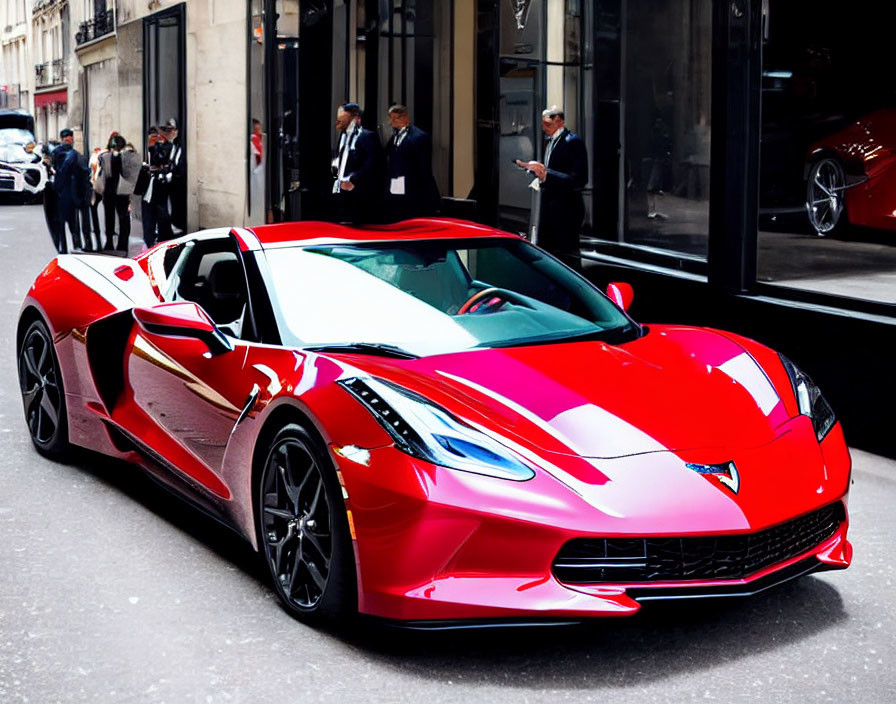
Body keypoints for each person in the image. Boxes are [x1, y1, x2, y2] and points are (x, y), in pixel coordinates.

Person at [515, 106, 588, 261]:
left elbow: (579, 179)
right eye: (543, 125)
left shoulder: (572, 142)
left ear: (559, 121)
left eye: (548, 124)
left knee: (567, 255)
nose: (544, 128)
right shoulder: (551, 142)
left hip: (567, 209)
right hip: (550, 206)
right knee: (550, 253)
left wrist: (547, 174)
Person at [383, 104, 440, 223]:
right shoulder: (394, 136)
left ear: (404, 118)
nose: (391, 123)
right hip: (395, 184)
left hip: (412, 187)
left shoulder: (420, 137)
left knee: (410, 216)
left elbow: (423, 167)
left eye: (395, 119)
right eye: (390, 119)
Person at [331, 102, 382, 224]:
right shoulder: (342, 136)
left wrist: (354, 180)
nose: (338, 118)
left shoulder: (367, 136)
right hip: (341, 189)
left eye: (342, 114)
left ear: (353, 116)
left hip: (358, 192)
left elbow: (373, 162)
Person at [98, 135, 142, 253]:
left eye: (117, 146)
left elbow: (131, 170)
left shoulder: (129, 157)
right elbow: (103, 171)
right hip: (109, 191)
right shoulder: (106, 157)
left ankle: (122, 244)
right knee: (109, 217)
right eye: (113, 146)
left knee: (123, 217)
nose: (115, 148)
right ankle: (109, 242)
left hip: (122, 191)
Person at [50, 128, 87, 253]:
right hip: (64, 192)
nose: (68, 142)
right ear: (62, 140)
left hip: (67, 192)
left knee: (71, 221)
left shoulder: (62, 153)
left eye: (70, 140)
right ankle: (69, 246)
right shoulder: (72, 154)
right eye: (67, 140)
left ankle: (69, 246)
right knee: (65, 221)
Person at [142, 126, 175, 245]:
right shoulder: (149, 148)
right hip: (150, 184)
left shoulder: (163, 147)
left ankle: (162, 235)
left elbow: (161, 160)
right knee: (150, 212)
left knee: (160, 210)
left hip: (159, 183)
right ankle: (151, 237)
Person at [161, 118, 186, 235]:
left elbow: (179, 163)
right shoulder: (172, 145)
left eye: (171, 130)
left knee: (176, 204)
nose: (168, 133)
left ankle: (177, 224)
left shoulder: (179, 145)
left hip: (178, 181)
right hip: (171, 180)